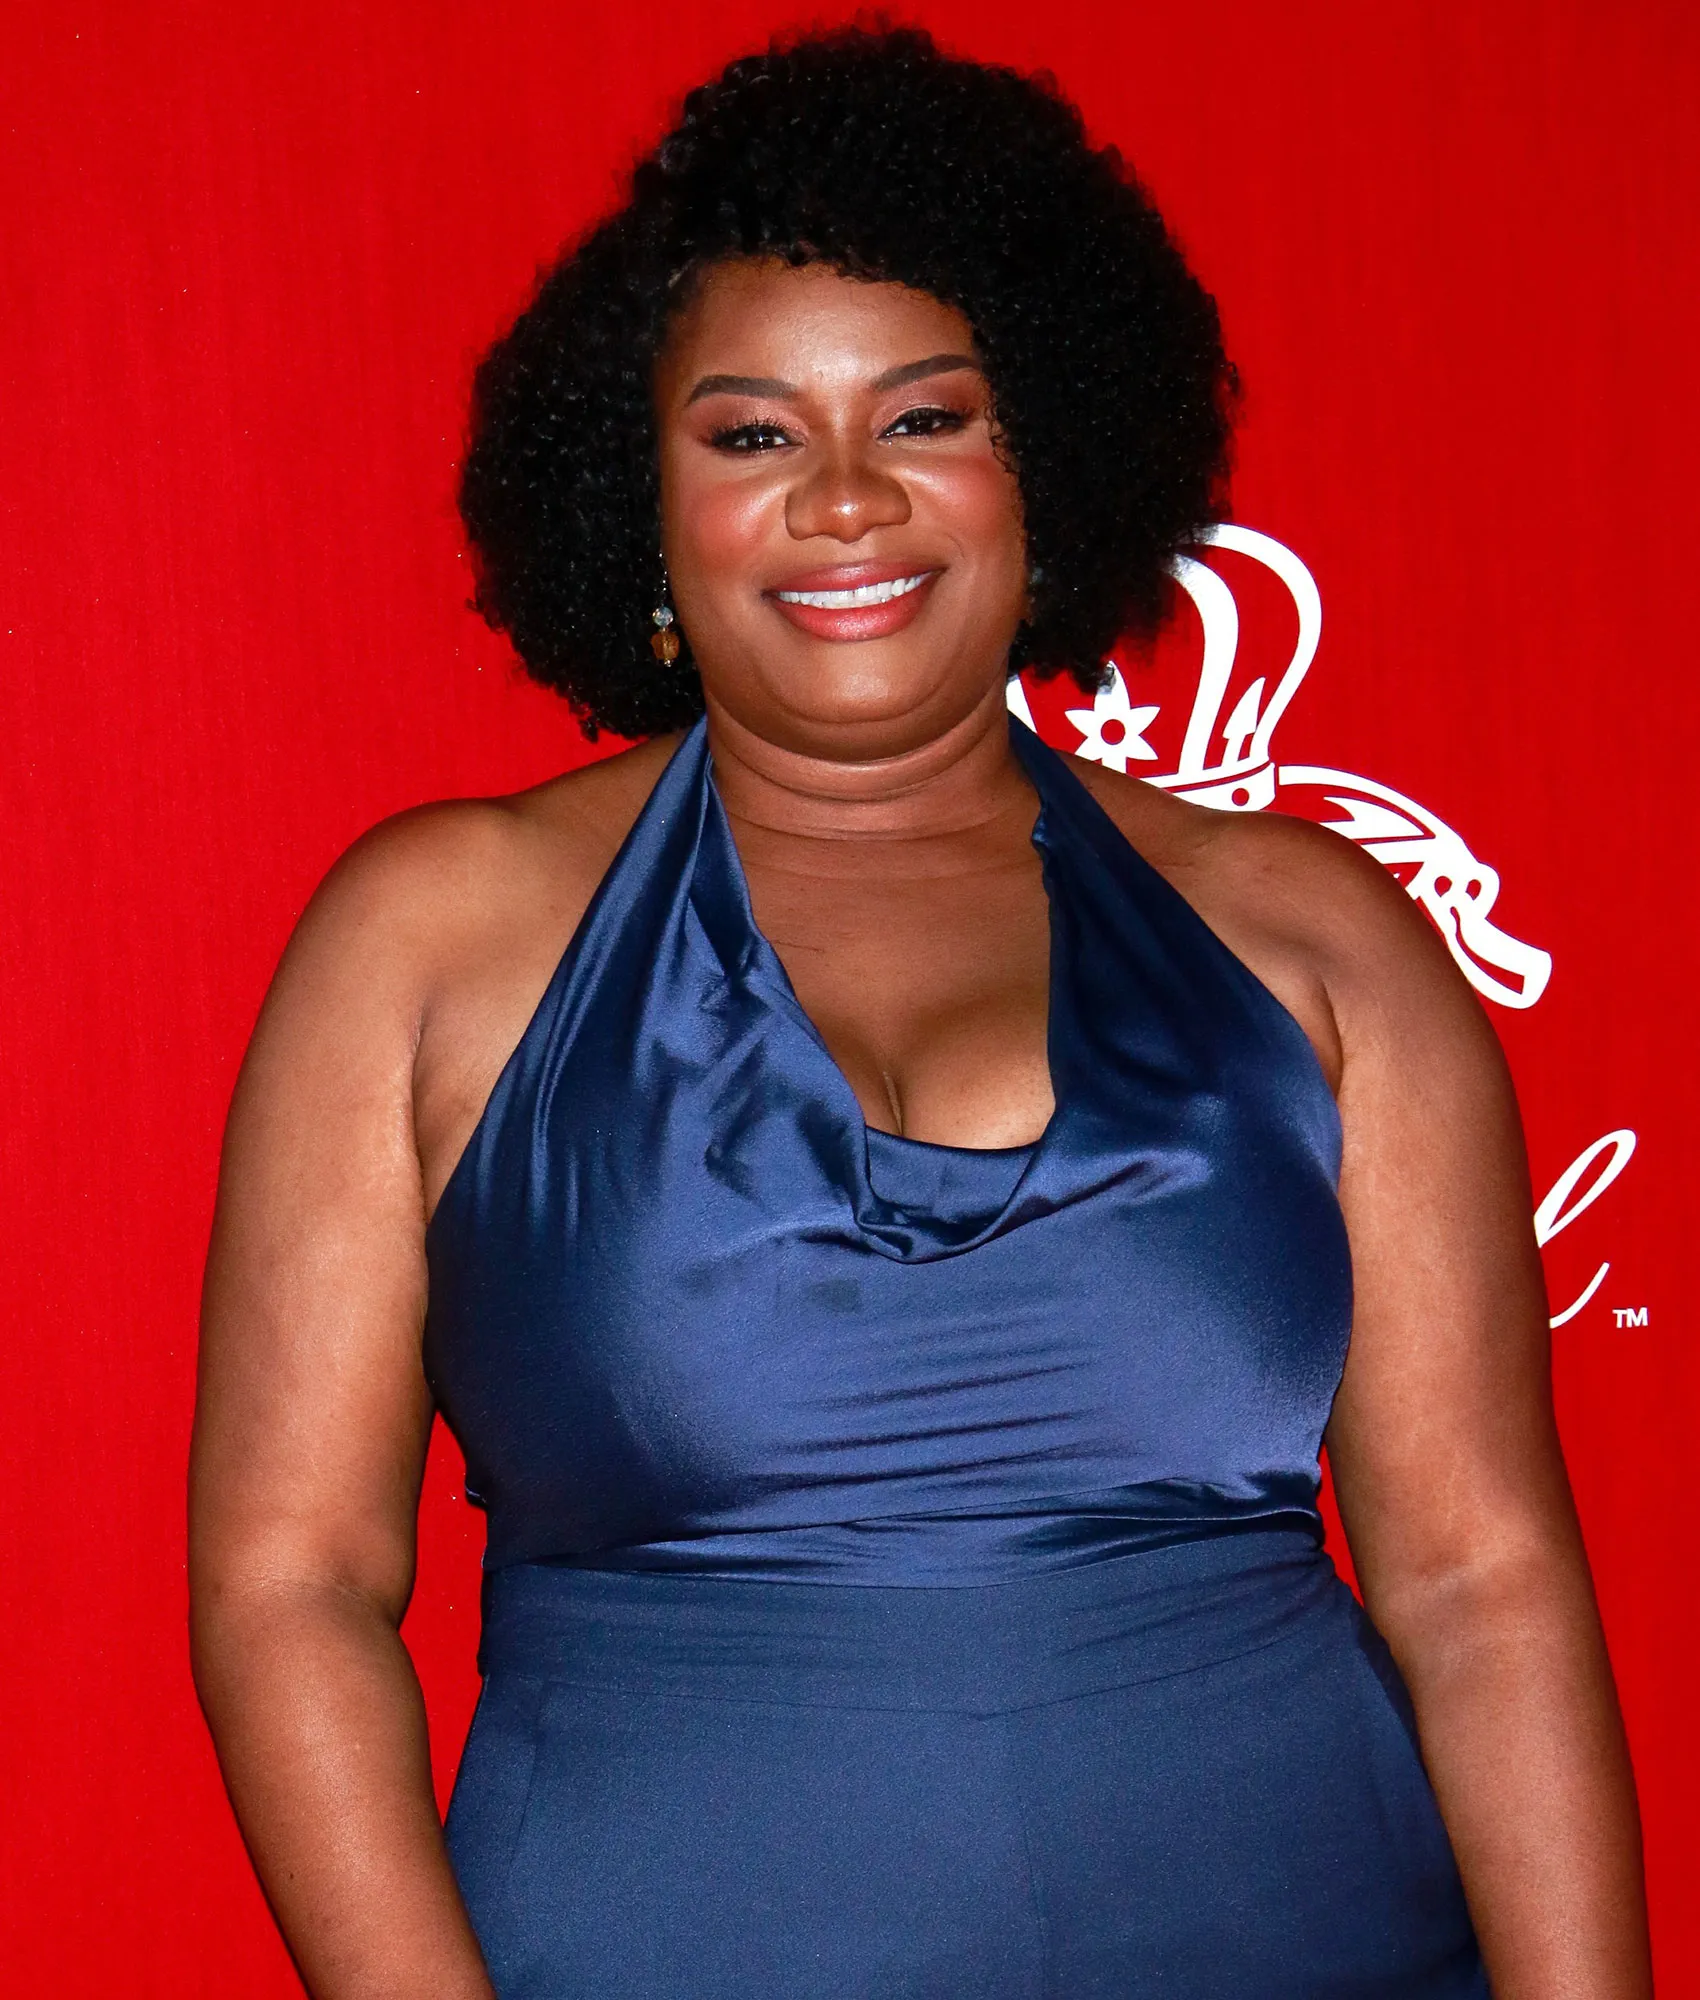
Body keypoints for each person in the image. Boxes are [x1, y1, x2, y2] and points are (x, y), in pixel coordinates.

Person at [189, 25, 1651, 1999]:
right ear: (642, 503)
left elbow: (1481, 1583)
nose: (847, 499)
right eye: (752, 436)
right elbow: (291, 1583)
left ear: (1043, 467)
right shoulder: (434, 936)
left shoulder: (1315, 941)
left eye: (926, 416)